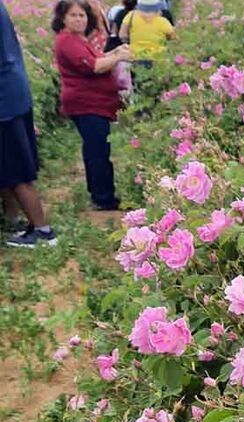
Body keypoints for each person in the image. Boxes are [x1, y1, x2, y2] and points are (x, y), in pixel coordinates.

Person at [53, 0, 132, 211]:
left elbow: (97, 58)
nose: (79, 20)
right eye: (73, 15)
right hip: (86, 103)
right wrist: (118, 57)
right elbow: (95, 66)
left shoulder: (78, 39)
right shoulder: (67, 41)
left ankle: (100, 193)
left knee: (95, 148)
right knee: (98, 151)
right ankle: (104, 198)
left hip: (92, 103)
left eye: (82, 15)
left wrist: (114, 53)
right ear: (63, 18)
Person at [0, 0, 57, 247]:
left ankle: (43, 231)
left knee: (17, 170)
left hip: (4, 101)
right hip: (14, 91)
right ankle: (12, 219)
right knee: (8, 165)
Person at [120, 0, 173, 66]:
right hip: (157, 60)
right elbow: (171, 37)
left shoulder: (131, 16)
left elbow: (122, 35)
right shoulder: (163, 21)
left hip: (136, 58)